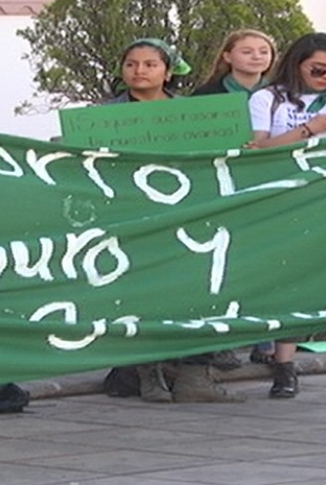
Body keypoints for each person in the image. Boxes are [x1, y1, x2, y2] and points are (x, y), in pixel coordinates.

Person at [103, 37, 244, 404]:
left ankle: (195, 374)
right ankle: (148, 372)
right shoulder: (103, 116)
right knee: (142, 292)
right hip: (133, 216)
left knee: (197, 289)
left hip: (189, 214)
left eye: (150, 64)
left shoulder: (193, 114)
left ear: (168, 70)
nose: (140, 71)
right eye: (132, 64)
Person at [248, 31, 326, 399]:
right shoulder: (268, 98)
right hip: (287, 197)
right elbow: (259, 148)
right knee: (292, 279)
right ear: (297, 63)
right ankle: (284, 367)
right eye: (318, 70)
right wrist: (309, 130)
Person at [194, 28, 278, 365]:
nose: (256, 57)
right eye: (247, 51)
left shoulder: (279, 95)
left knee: (267, 259)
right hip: (221, 184)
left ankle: (265, 339)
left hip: (267, 183)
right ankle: (222, 338)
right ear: (227, 56)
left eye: (263, 51)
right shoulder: (207, 95)